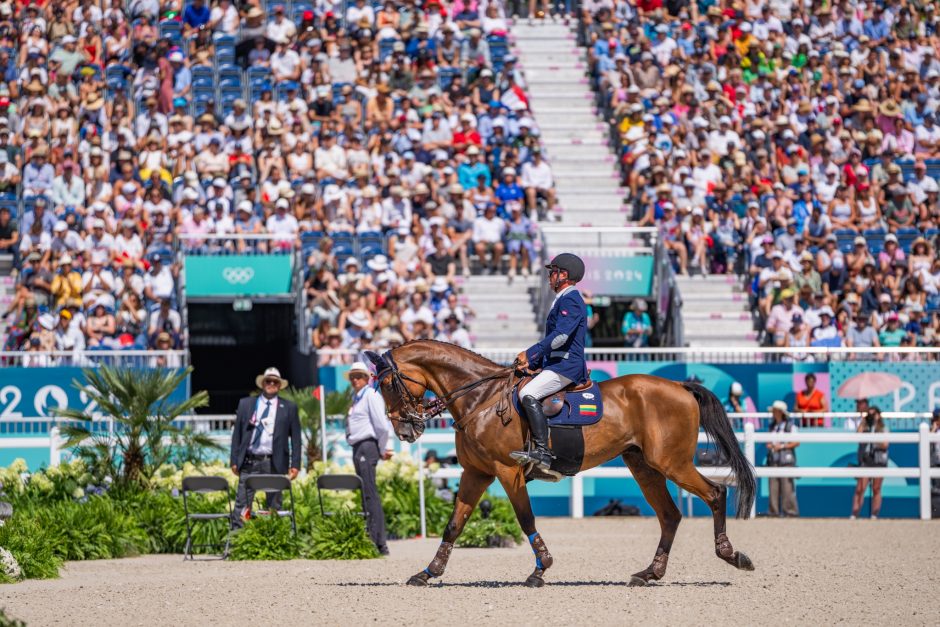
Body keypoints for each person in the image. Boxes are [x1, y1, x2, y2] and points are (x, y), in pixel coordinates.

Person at [512, 253, 587, 470]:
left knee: (528, 393)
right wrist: (534, 365)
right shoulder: (562, 299)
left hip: (567, 366)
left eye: (552, 272)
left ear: (563, 275)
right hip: (555, 364)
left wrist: (531, 353)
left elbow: (561, 337)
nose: (549, 277)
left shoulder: (571, 299)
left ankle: (543, 452)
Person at [230, 367, 301, 528]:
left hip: (274, 462)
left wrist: (295, 464)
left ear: (279, 385)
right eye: (268, 381)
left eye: (275, 381)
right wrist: (234, 459)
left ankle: (274, 542)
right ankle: (237, 541)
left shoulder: (289, 407)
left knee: (275, 504)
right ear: (262, 383)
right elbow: (237, 435)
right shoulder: (246, 404)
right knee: (242, 505)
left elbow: (296, 438)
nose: (271, 384)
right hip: (250, 460)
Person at [344, 361, 392, 555]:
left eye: (359, 376)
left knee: (370, 492)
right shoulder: (357, 398)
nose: (355, 380)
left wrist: (384, 448)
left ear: (367, 378)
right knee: (366, 493)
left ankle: (378, 541)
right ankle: (374, 538)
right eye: (352, 377)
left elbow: (381, 424)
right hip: (358, 446)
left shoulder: (371, 396)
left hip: (367, 445)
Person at [851, 406, 889, 520]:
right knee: (860, 488)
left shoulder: (883, 428)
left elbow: (885, 445)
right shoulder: (865, 427)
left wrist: (873, 438)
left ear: (879, 415)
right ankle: (854, 514)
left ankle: (874, 514)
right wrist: (863, 422)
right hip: (866, 460)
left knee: (876, 488)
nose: (871, 417)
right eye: (869, 414)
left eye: (873, 414)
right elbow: (857, 437)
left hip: (878, 460)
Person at [766, 400, 799, 517]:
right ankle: (773, 511)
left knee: (787, 487)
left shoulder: (791, 426)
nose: (773, 413)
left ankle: (790, 511)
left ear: (780, 412)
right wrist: (771, 445)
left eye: (774, 411)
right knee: (773, 487)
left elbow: (796, 442)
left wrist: (782, 446)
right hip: (774, 459)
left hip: (786, 459)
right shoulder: (772, 426)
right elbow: (768, 441)